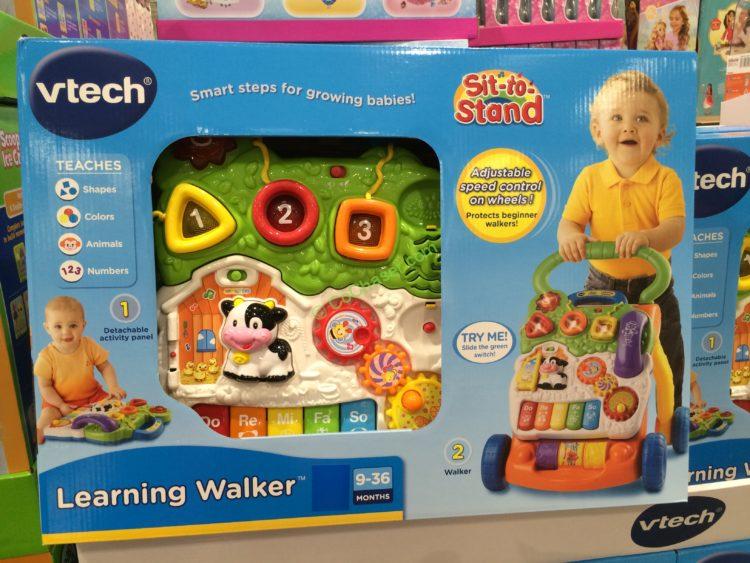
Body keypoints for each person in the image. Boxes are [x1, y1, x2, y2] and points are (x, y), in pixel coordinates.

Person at [558, 70, 686, 407]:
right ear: (598, 131)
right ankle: (597, 410)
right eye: (617, 117)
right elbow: (570, 222)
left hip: (655, 285)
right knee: (595, 352)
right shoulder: (589, 178)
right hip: (601, 286)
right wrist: (570, 237)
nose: (629, 127)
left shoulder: (666, 179)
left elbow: (675, 227)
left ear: (659, 134)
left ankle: (673, 411)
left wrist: (647, 238)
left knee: (668, 352)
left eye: (641, 119)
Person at [34, 296, 126, 443]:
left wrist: (113, 386)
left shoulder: (89, 345)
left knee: (118, 407)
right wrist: (61, 405)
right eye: (58, 326)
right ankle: (37, 436)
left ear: (83, 325)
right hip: (58, 402)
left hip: (92, 397)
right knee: (46, 418)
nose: (66, 332)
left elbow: (105, 367)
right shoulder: (46, 357)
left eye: (73, 325)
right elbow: (45, 387)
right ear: (47, 328)